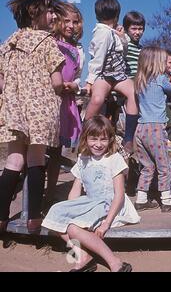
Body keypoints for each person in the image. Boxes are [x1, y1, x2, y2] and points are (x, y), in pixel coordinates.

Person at [0, 0, 66, 234]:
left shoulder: (7, 43)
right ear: (33, 12)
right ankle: (34, 218)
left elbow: (1, 81)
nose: (53, 15)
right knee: (37, 159)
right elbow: (57, 82)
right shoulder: (47, 42)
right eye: (49, 10)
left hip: (14, 109)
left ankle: (1, 216)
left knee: (14, 160)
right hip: (40, 110)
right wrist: (69, 87)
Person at [42, 116, 139, 272]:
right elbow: (76, 188)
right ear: (85, 138)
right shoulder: (83, 159)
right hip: (90, 202)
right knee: (55, 213)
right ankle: (82, 256)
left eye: (103, 140)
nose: (99, 144)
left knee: (73, 228)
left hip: (110, 204)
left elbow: (119, 194)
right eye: (94, 139)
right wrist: (70, 209)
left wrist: (106, 223)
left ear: (110, 140)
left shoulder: (114, 159)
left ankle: (115, 262)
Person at [133, 46, 171, 213]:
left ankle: (141, 199)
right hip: (155, 128)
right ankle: (167, 200)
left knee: (147, 166)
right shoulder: (161, 78)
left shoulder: (139, 80)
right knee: (164, 166)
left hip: (140, 128)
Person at [84, 0, 139, 153]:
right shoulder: (102, 33)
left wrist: (122, 38)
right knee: (97, 99)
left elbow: (125, 53)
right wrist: (89, 81)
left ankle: (128, 137)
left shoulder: (115, 32)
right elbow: (98, 58)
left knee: (133, 93)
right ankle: (85, 130)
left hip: (119, 74)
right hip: (104, 74)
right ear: (116, 15)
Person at [46, 2, 84, 203]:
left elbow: (77, 75)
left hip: (66, 101)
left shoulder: (77, 50)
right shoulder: (49, 42)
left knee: (56, 152)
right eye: (66, 20)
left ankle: (50, 194)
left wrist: (76, 86)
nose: (71, 25)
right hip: (49, 99)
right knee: (39, 151)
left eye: (75, 22)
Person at [123, 11, 145, 79]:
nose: (137, 32)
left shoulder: (142, 49)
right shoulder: (123, 45)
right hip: (125, 81)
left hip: (139, 82)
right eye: (134, 29)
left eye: (140, 29)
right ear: (126, 29)